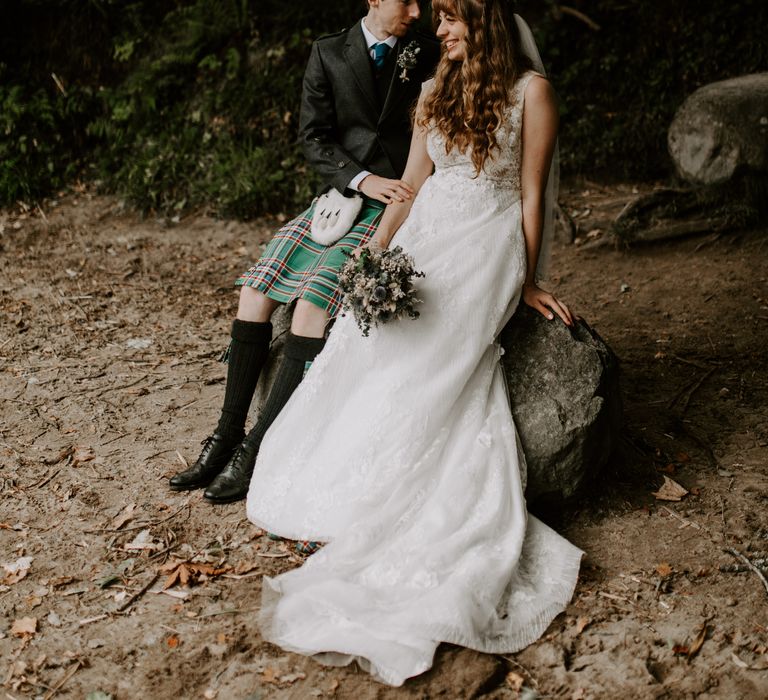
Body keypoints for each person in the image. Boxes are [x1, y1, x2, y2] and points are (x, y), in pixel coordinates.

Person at [245, 0, 584, 686]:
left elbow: (529, 194)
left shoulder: (532, 93)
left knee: (435, 358)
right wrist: (368, 261)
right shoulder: (433, 90)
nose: (441, 30)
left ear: (485, 22)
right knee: (371, 346)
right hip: (427, 233)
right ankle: (340, 485)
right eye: (439, 19)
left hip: (486, 243)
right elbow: (408, 190)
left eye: (454, 19)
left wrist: (525, 280)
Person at [168, 0, 439, 503]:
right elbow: (313, 138)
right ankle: (225, 434)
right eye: (406, 0)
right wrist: (362, 179)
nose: (418, 9)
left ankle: (256, 448)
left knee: (312, 305)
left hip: (399, 201)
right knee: (253, 292)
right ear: (375, 0)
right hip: (342, 199)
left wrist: (397, 186)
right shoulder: (328, 52)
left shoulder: (428, 51)